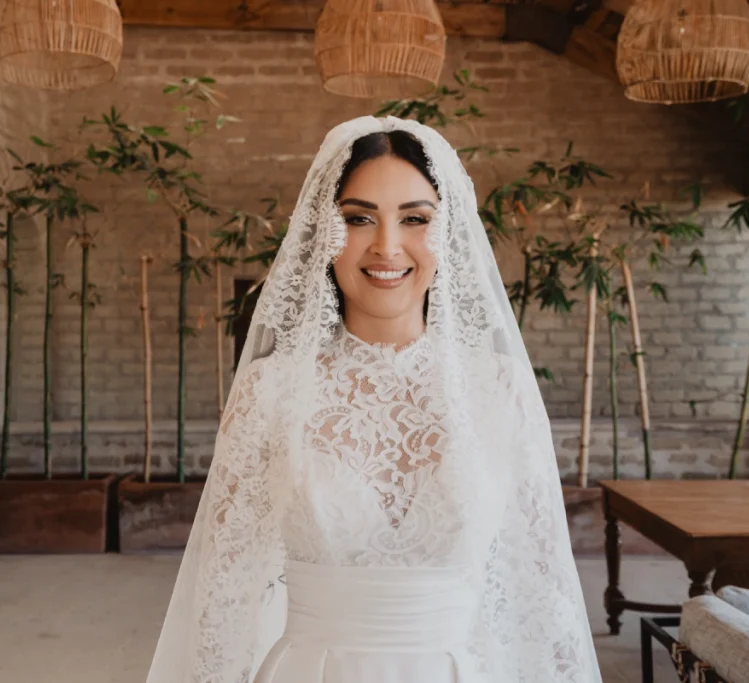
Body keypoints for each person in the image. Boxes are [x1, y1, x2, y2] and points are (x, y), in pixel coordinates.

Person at [146, 116, 603, 683]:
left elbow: (542, 592)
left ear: (448, 233)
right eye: (358, 218)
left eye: (415, 219)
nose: (387, 245)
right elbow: (221, 590)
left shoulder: (500, 389)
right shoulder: (271, 390)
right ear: (324, 234)